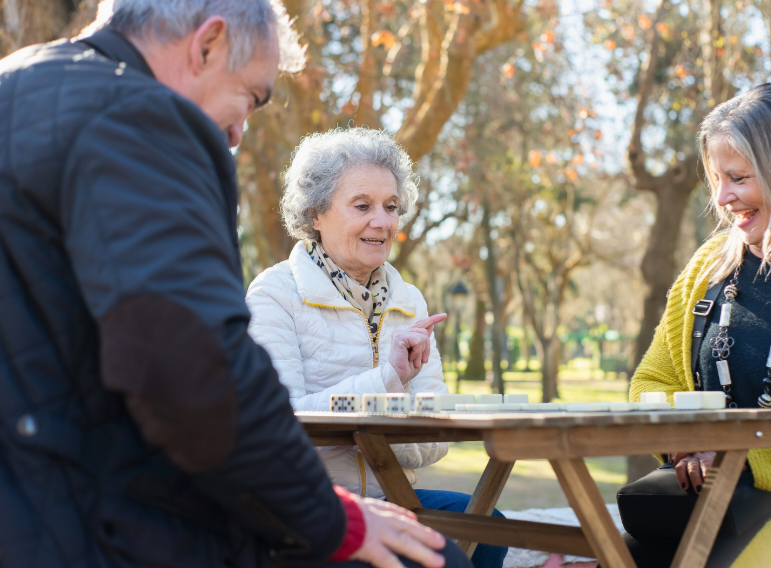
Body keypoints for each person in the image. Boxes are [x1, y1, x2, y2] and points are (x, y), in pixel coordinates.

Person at [0, 2, 474, 568]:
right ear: (208, 45)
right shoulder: (144, 119)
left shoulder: (16, 83)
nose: (237, 132)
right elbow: (194, 369)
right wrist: (333, 519)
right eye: (250, 97)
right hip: (82, 516)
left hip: (36, 493)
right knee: (436, 555)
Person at [245, 127, 508, 568]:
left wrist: (389, 426)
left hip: (392, 495)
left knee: (485, 527)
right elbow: (279, 424)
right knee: (446, 557)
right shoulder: (275, 294)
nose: (383, 222)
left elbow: (436, 438)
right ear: (315, 214)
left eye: (391, 207)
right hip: (307, 507)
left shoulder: (409, 301)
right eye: (362, 206)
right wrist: (387, 382)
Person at [629, 83, 771, 566]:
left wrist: (738, 455)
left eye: (737, 177)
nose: (722, 197)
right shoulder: (706, 267)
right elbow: (652, 381)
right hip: (708, 504)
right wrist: (683, 437)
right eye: (716, 178)